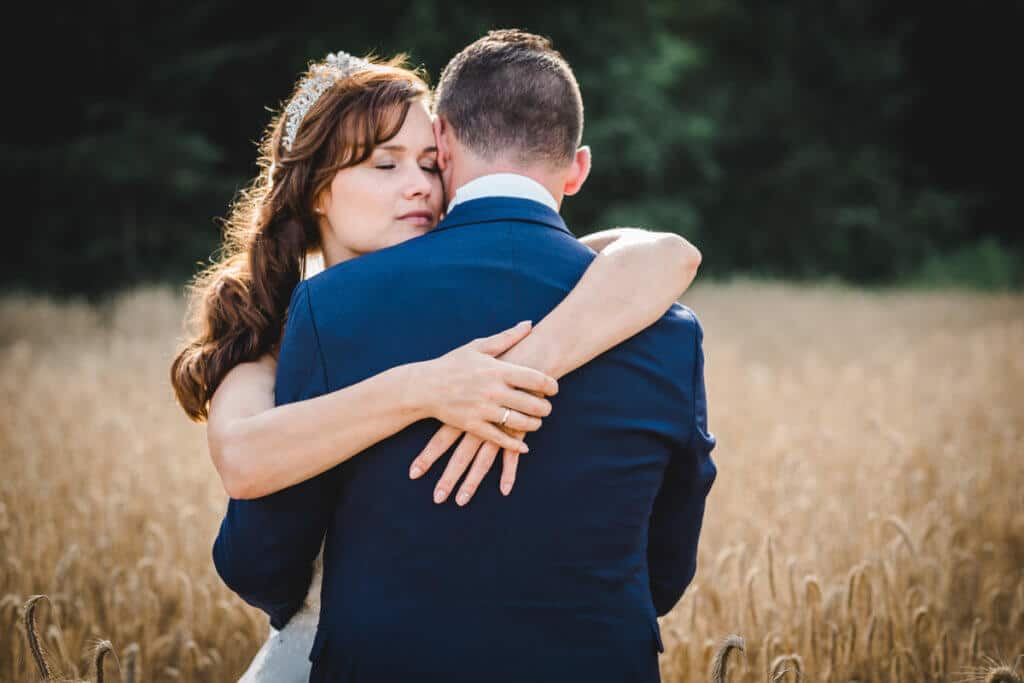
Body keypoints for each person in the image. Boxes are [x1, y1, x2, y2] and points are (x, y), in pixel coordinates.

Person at [172, 49, 702, 682]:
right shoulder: (273, 342)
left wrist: (530, 364)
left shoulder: (352, 307)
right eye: (384, 164)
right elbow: (244, 464)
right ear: (315, 187)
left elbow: (659, 255)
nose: (419, 184)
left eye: (428, 163)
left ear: (448, 151)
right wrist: (419, 387)